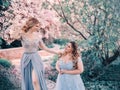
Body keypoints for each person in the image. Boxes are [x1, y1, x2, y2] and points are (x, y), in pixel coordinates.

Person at [11, 17, 59, 90]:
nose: (38, 28)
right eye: (37, 26)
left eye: (39, 26)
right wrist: (17, 25)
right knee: (28, 80)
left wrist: (57, 52)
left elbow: (45, 48)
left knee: (35, 81)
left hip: (36, 58)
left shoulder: (38, 36)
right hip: (26, 59)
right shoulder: (22, 35)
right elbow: (12, 36)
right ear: (31, 25)